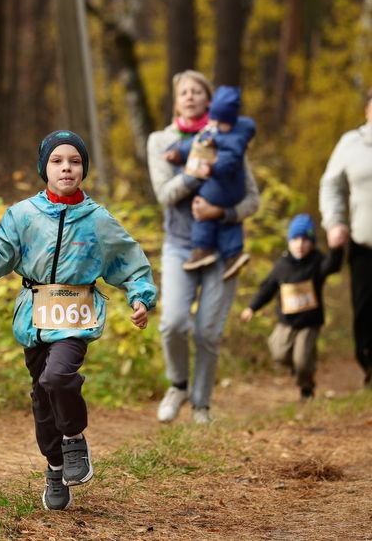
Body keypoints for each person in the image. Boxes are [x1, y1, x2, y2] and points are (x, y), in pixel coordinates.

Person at [0, 131, 156, 511]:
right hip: (34, 317)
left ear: (84, 169)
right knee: (42, 397)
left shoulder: (98, 220)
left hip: (76, 317)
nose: (67, 167)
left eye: (75, 161)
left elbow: (130, 263)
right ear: (44, 168)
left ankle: (75, 437)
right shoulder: (23, 215)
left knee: (57, 377)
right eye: (58, 161)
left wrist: (140, 296)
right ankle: (55, 465)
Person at [147, 71, 260, 424]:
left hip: (224, 249)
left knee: (208, 332)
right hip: (181, 245)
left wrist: (222, 212)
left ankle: (201, 404)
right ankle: (178, 385)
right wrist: (197, 171)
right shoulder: (160, 141)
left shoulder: (228, 136)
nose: (191, 96)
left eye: (198, 91)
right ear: (176, 99)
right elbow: (165, 195)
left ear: (209, 101)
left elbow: (252, 199)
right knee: (174, 324)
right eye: (184, 92)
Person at [239, 214, 344, 400]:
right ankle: (296, 367)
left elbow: (332, 266)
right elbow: (267, 289)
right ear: (289, 241)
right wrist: (251, 308)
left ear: (312, 242)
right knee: (278, 354)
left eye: (305, 240)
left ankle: (306, 388)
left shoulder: (317, 262)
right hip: (286, 321)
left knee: (303, 360)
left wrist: (336, 248)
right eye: (296, 239)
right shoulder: (282, 266)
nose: (300, 244)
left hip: (309, 323)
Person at [165, 85, 255, 278]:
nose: (212, 124)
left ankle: (202, 249)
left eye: (217, 121)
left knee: (201, 208)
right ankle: (233, 254)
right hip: (227, 190)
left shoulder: (235, 138)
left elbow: (230, 160)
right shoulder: (216, 129)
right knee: (226, 225)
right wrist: (179, 153)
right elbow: (196, 142)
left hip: (226, 186)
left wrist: (212, 167)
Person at [319, 88, 372, 387]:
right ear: (367, 110)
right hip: (365, 243)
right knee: (365, 310)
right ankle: (367, 362)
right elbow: (331, 185)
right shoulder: (352, 144)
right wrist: (335, 222)